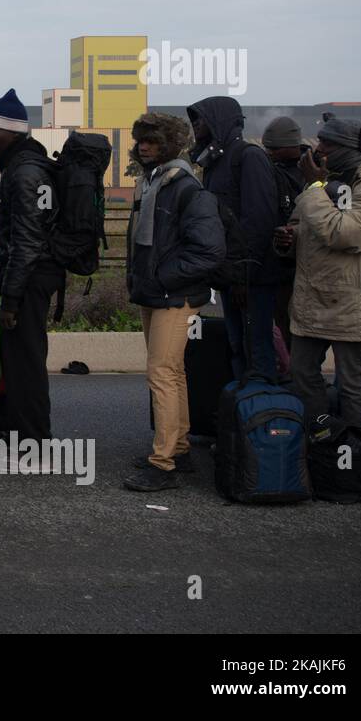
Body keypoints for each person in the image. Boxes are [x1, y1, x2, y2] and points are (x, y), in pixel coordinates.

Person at [121, 113, 225, 492]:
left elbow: (210, 251)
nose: (145, 146)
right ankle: (177, 450)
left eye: (153, 141)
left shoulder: (186, 189)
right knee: (173, 372)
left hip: (172, 295)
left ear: (170, 145)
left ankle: (162, 465)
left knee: (161, 374)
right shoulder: (153, 184)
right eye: (141, 140)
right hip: (156, 292)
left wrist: (164, 277)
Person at [276, 118, 361, 435]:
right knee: (302, 371)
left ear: (348, 149)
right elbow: (307, 224)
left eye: (328, 144)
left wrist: (314, 187)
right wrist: (290, 239)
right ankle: (322, 436)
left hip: (353, 298)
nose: (319, 149)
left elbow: (347, 234)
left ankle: (357, 452)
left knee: (351, 379)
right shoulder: (320, 180)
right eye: (320, 141)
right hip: (312, 295)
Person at [0, 88, 64, 446]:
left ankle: (33, 443)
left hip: (32, 278)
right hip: (31, 276)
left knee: (26, 364)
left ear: (14, 133)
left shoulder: (26, 173)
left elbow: (28, 242)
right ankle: (21, 434)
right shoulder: (20, 166)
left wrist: (11, 299)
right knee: (18, 361)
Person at [188, 97, 281, 380]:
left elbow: (259, 221)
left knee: (258, 349)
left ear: (220, 120)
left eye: (200, 119)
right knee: (237, 347)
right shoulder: (215, 162)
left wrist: (243, 275)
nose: (196, 125)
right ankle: (244, 414)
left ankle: (265, 414)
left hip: (252, 278)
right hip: (230, 276)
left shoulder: (248, 157)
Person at [262, 117, 308, 346]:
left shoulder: (313, 171)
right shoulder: (271, 170)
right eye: (268, 148)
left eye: (275, 148)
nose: (270, 153)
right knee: (282, 319)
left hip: (306, 260)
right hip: (280, 259)